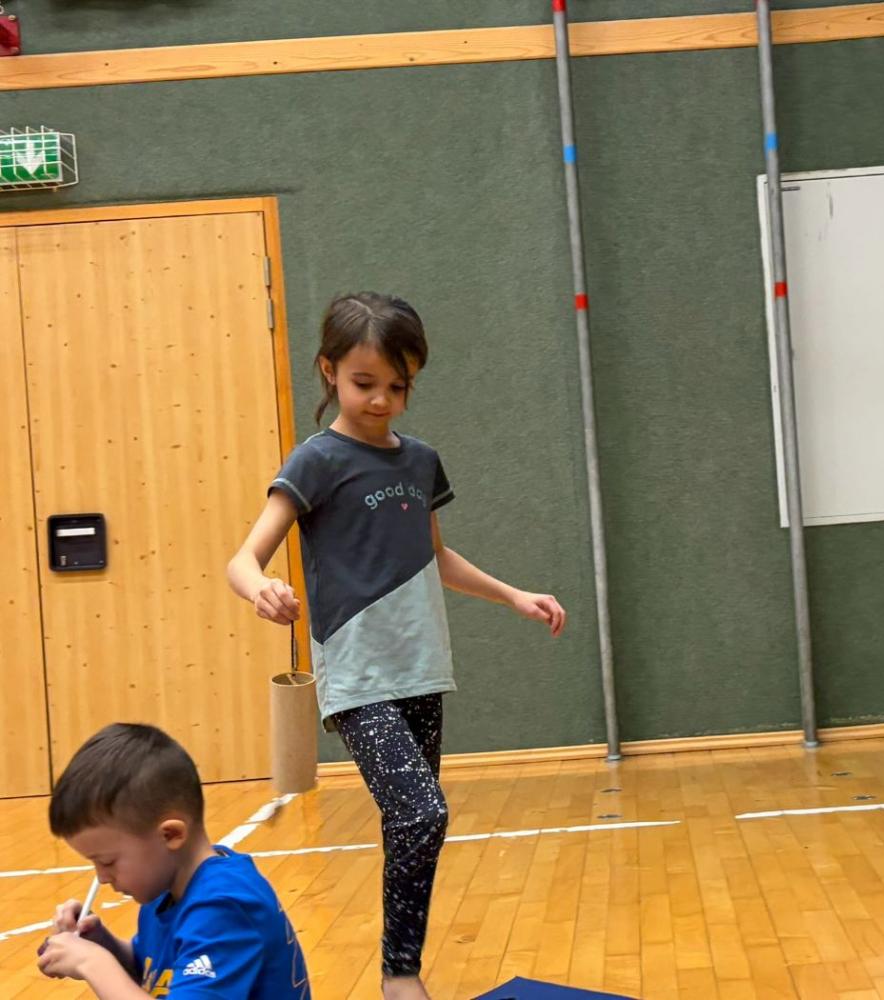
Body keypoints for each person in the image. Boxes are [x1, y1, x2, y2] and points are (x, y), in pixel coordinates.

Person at [227, 291, 566, 999]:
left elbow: (434, 556)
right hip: (358, 677)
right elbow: (243, 558)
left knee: (409, 826)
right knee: (422, 812)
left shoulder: (419, 462)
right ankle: (400, 978)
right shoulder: (316, 461)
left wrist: (513, 595)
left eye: (398, 386)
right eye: (364, 383)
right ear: (329, 371)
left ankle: (398, 971)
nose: (381, 400)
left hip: (422, 669)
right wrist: (260, 589)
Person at [37, 723, 308, 997]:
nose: (102, 877)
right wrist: (102, 944)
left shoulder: (224, 905)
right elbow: (155, 974)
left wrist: (92, 962)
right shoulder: (167, 889)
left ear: (171, 835)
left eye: (107, 862)